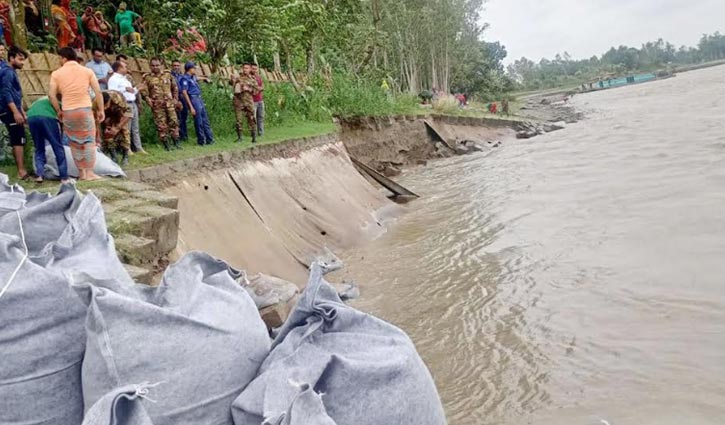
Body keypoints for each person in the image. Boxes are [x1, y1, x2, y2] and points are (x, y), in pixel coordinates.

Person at [49, 47, 104, 181]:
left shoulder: (56, 74)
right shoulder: (87, 71)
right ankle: (90, 173)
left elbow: (51, 95)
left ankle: (82, 173)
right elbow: (98, 92)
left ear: (64, 58)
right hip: (84, 109)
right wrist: (101, 110)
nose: (59, 61)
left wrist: (59, 111)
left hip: (68, 110)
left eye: (59, 59)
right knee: (89, 141)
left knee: (75, 143)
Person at [0, 46, 30, 180]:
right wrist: (15, 113)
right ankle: (21, 172)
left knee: (19, 137)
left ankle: (22, 169)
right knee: (17, 139)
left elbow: (16, 95)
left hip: (14, 109)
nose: (22, 62)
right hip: (8, 110)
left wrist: (22, 112)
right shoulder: (7, 72)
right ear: (11, 58)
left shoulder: (12, 71)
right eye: (20, 59)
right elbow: (6, 93)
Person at [141, 57, 181, 151]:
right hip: (157, 105)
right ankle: (167, 145)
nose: (155, 67)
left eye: (157, 65)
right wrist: (147, 99)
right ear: (150, 66)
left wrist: (175, 99)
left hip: (170, 103)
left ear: (161, 65)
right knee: (161, 125)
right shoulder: (147, 77)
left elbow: (175, 87)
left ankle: (176, 143)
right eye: (153, 65)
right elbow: (143, 90)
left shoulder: (167, 75)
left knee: (174, 122)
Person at [27, 95, 69, 183]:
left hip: (31, 117)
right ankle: (64, 177)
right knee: (58, 147)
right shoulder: (59, 101)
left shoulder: (41, 99)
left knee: (39, 148)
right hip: (47, 117)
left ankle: (39, 175)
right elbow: (62, 120)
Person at [108, 60, 144, 156]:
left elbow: (130, 92)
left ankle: (138, 147)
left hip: (132, 103)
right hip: (124, 105)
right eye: (124, 66)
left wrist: (137, 89)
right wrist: (124, 89)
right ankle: (126, 149)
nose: (126, 68)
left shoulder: (125, 79)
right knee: (126, 128)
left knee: (135, 127)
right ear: (119, 68)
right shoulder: (113, 79)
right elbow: (112, 93)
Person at [179, 61, 214, 145]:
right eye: (194, 68)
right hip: (193, 99)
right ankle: (201, 140)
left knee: (205, 119)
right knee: (198, 120)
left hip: (199, 98)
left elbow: (198, 78)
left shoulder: (193, 77)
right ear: (189, 69)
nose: (195, 69)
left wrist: (205, 79)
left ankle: (209, 139)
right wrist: (191, 106)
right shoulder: (185, 79)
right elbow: (184, 92)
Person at [99, 90, 132, 165]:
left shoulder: (117, 98)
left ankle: (125, 156)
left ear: (109, 101)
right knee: (107, 133)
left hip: (120, 113)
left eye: (105, 106)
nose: (104, 108)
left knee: (124, 132)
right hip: (106, 116)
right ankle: (113, 156)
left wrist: (118, 127)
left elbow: (129, 112)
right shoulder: (96, 100)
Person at [230, 63, 258, 143]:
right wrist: (232, 79)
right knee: (239, 120)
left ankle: (253, 137)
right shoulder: (238, 77)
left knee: (251, 118)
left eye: (247, 68)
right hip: (238, 101)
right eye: (244, 68)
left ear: (250, 69)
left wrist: (249, 89)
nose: (245, 69)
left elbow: (256, 91)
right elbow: (231, 83)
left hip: (248, 101)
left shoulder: (252, 79)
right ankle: (240, 137)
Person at [170, 59, 187, 142]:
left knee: (184, 116)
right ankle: (177, 136)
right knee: (176, 117)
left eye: (177, 65)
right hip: (175, 98)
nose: (176, 67)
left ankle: (184, 135)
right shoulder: (170, 76)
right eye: (174, 65)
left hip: (183, 97)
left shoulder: (182, 76)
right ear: (172, 66)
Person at [251, 63, 264, 138]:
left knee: (261, 117)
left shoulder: (259, 77)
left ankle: (261, 132)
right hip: (253, 100)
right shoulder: (250, 78)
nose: (254, 70)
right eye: (253, 68)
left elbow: (262, 87)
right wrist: (258, 88)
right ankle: (253, 133)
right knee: (253, 118)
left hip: (260, 100)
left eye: (255, 69)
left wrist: (258, 88)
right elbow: (254, 88)